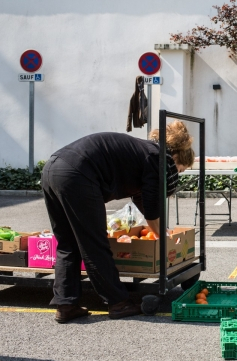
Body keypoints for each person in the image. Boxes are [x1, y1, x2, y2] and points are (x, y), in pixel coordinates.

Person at [41, 121, 194, 323]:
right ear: (175, 159)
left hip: (53, 169)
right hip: (78, 174)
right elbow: (151, 209)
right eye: (181, 170)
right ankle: (118, 303)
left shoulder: (144, 152)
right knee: (94, 244)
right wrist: (161, 238)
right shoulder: (157, 159)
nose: (178, 175)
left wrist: (160, 229)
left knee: (68, 243)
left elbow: (143, 201)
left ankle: (66, 305)